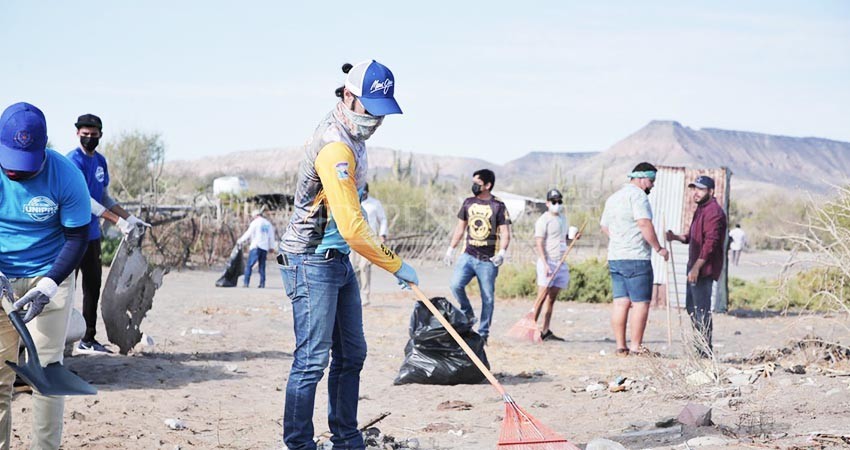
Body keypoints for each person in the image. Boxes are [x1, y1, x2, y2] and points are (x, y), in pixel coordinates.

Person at [277, 60, 417, 450]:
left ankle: (346, 437)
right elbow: (355, 229)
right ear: (348, 95)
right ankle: (299, 444)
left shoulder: (356, 138)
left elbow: (353, 220)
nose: (376, 119)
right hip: (309, 258)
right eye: (371, 108)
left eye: (382, 111)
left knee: (353, 352)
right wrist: (396, 264)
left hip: (336, 261)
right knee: (311, 361)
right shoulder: (335, 145)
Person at [0, 102, 91, 449]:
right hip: (1, 277)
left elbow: (77, 237)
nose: (16, 173)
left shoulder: (66, 175)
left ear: (45, 147)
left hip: (48, 276)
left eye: (25, 165)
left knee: (46, 374)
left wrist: (49, 284)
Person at [66, 113, 151, 354]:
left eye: (93, 135)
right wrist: (116, 221)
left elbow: (103, 196)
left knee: (92, 286)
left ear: (100, 135)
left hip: (91, 235)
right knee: (65, 287)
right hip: (70, 234)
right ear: (77, 135)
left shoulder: (100, 161)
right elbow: (85, 199)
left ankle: (88, 338)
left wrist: (129, 217)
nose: (89, 139)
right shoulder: (73, 161)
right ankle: (60, 338)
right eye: (85, 135)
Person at [600, 162, 669, 356]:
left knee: (621, 302)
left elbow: (604, 226)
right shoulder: (638, 196)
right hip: (636, 257)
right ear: (640, 178)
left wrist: (620, 238)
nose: (653, 185)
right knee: (640, 303)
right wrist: (659, 248)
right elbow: (644, 223)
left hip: (615, 257)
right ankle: (636, 347)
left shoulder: (613, 197)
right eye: (651, 181)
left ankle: (620, 347)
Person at [444, 169, 511, 343]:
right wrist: (451, 249)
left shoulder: (498, 206)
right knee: (455, 285)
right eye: (473, 182)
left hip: (487, 260)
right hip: (468, 255)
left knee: (487, 298)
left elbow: (505, 232)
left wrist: (502, 252)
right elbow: (460, 228)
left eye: (478, 183)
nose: (474, 186)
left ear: (488, 185)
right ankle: (468, 314)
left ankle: (483, 334)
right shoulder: (468, 203)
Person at [666, 176, 727, 356]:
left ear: (711, 191)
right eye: (694, 189)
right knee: (692, 308)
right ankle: (700, 346)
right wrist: (675, 237)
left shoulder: (714, 212)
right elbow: (693, 237)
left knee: (701, 310)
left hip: (703, 269)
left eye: (700, 189)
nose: (696, 192)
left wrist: (697, 267)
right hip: (694, 266)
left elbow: (710, 244)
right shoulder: (701, 209)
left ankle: (705, 351)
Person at [532, 189, 581, 341]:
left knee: (551, 298)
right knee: (541, 297)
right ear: (547, 203)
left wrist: (573, 238)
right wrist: (545, 264)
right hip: (547, 262)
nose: (557, 205)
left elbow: (563, 238)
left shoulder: (563, 219)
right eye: (554, 202)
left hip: (560, 261)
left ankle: (545, 330)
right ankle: (532, 329)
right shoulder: (543, 220)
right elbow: (539, 242)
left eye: (559, 202)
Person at [350, 183, 388, 305]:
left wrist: (382, 235)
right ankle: (355, 294)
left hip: (369, 241)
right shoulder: (352, 202)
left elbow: (383, 219)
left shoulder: (375, 204)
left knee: (364, 266)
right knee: (353, 267)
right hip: (354, 240)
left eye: (363, 193)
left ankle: (365, 295)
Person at [237, 208, 276, 288]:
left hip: (256, 246)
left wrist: (240, 240)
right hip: (264, 248)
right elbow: (271, 237)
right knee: (262, 266)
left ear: (255, 216)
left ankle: (246, 283)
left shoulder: (255, 223)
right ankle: (262, 284)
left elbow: (248, 233)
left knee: (249, 265)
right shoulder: (268, 224)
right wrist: (272, 247)